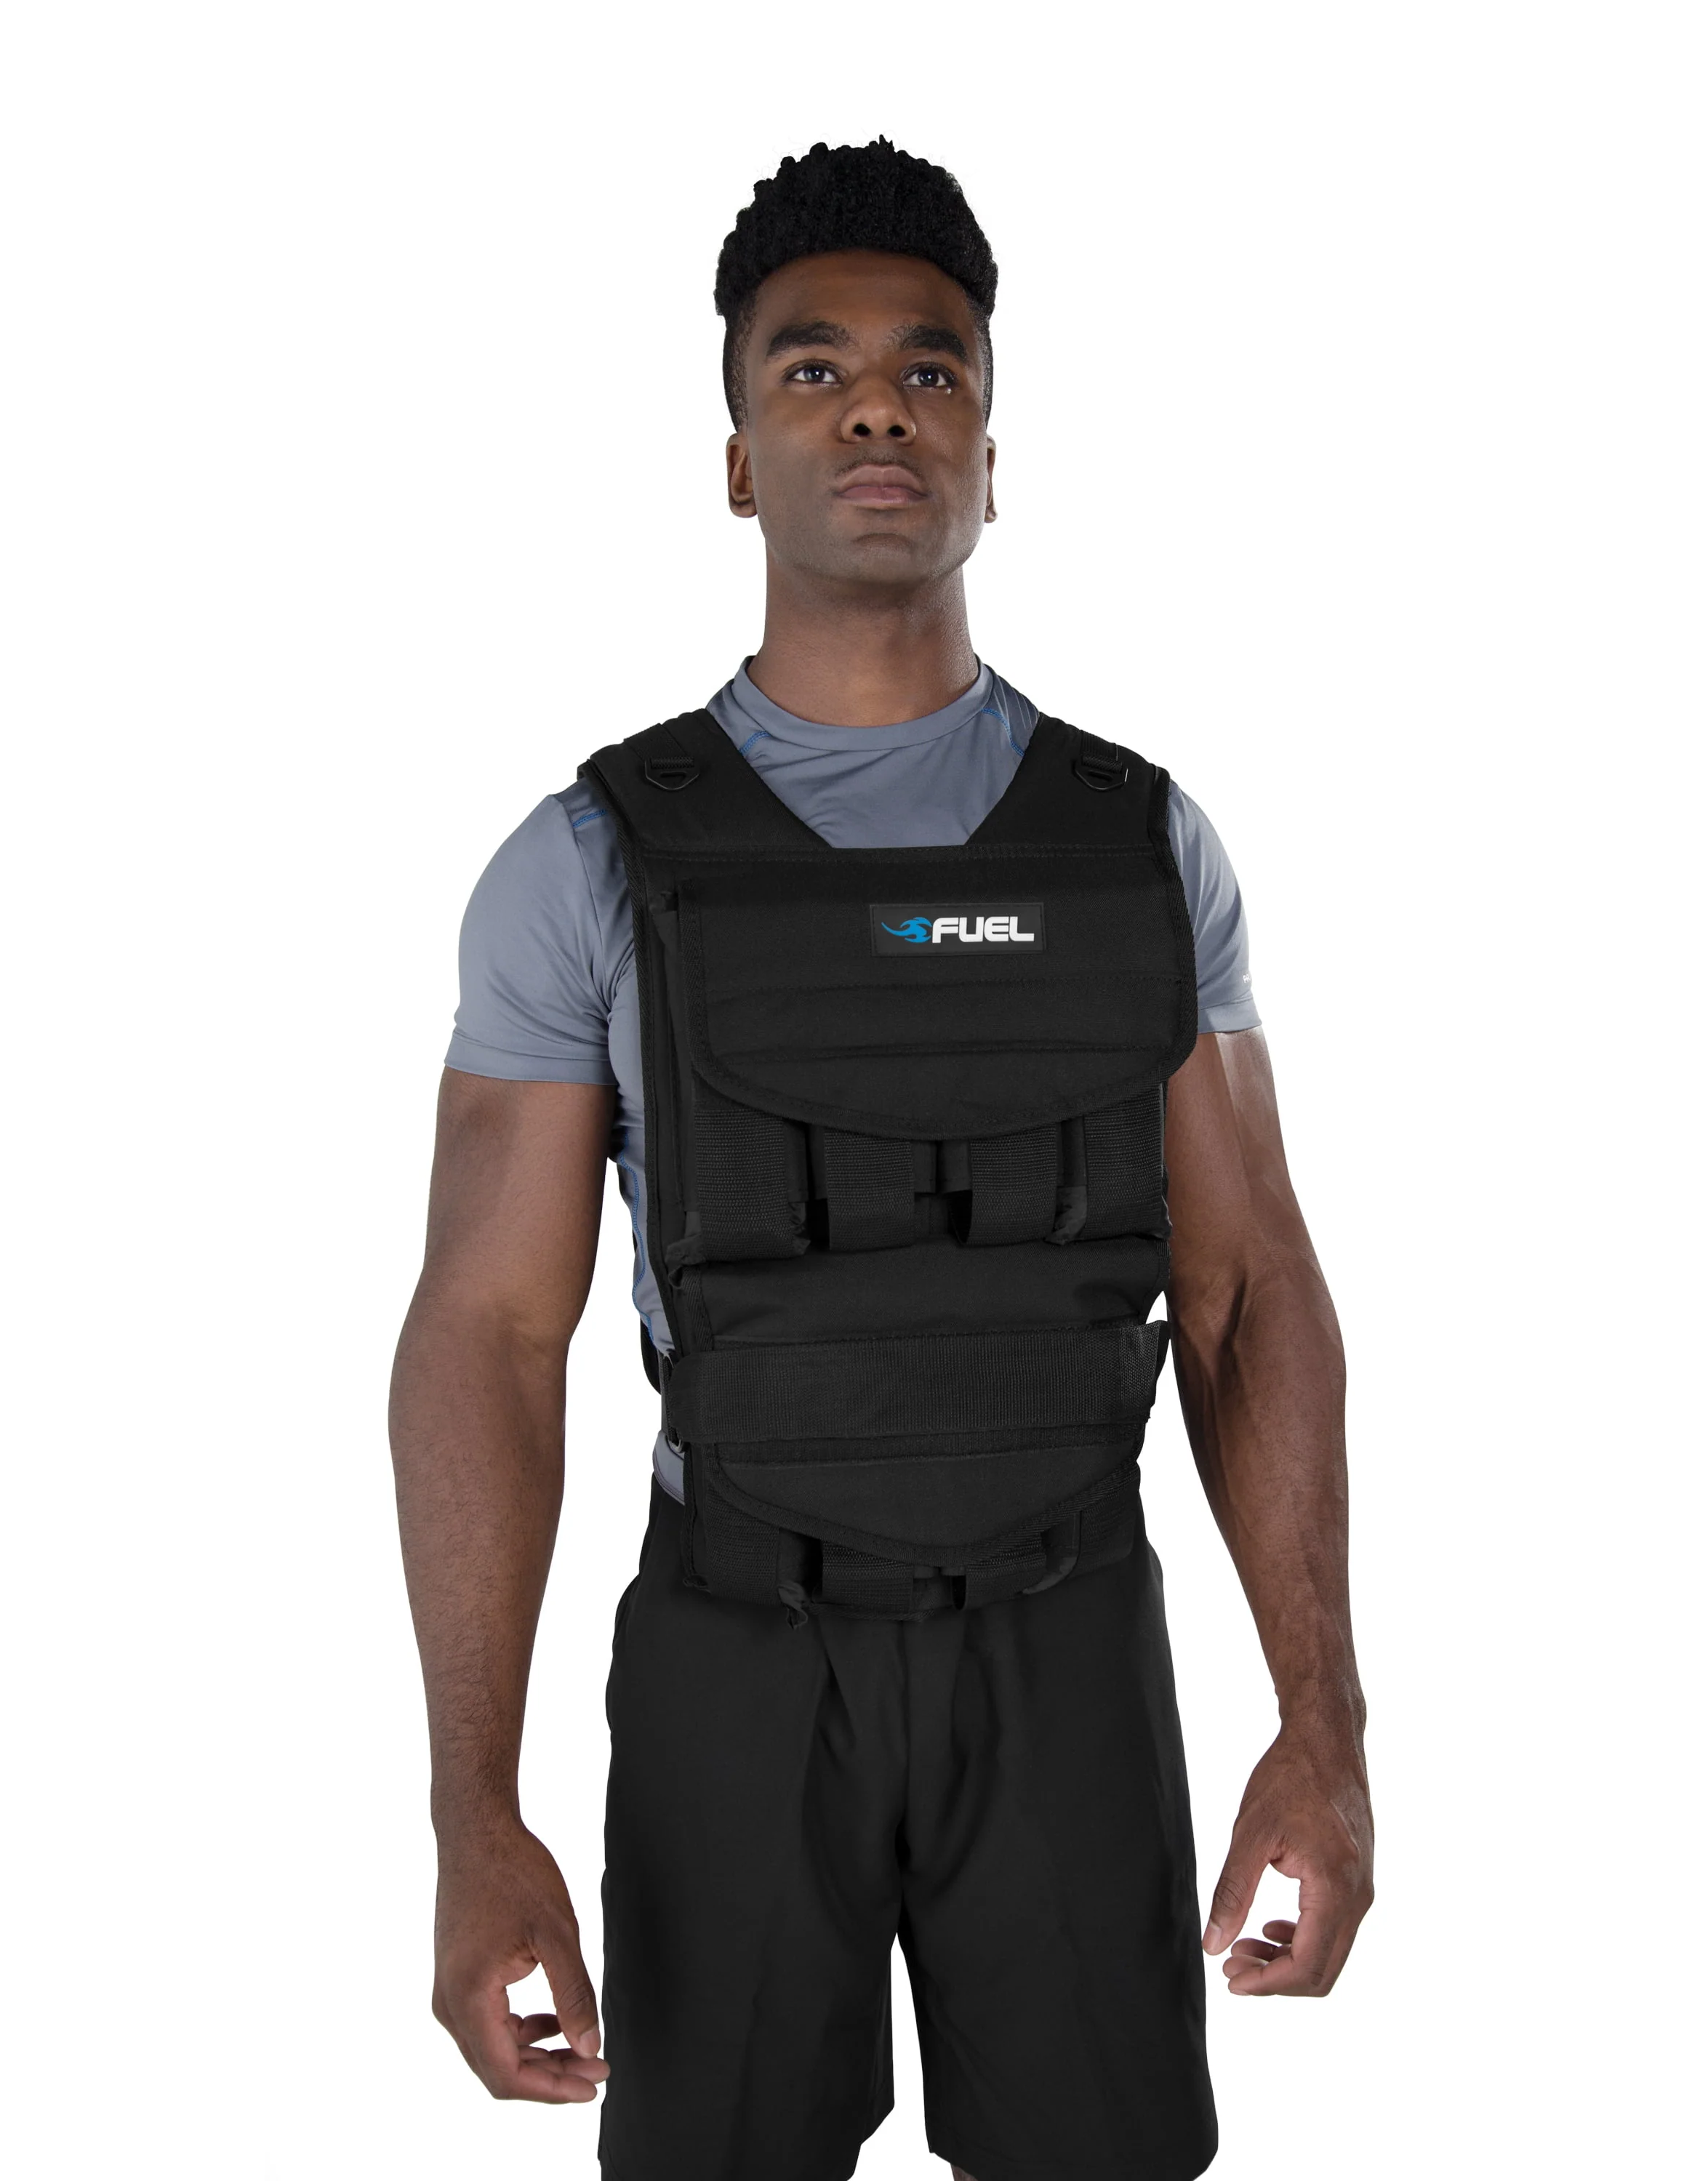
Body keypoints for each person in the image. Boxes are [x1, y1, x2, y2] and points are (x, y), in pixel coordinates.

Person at [389, 139, 1372, 2181]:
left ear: (993, 450)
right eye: (811, 370)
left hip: (1068, 1645)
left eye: (931, 372)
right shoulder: (588, 864)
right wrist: (474, 1817)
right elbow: (485, 1335)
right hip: (741, 1660)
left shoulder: (1140, 846)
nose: (875, 413)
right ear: (736, 459)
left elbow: (1246, 1290)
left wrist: (1324, 1721)